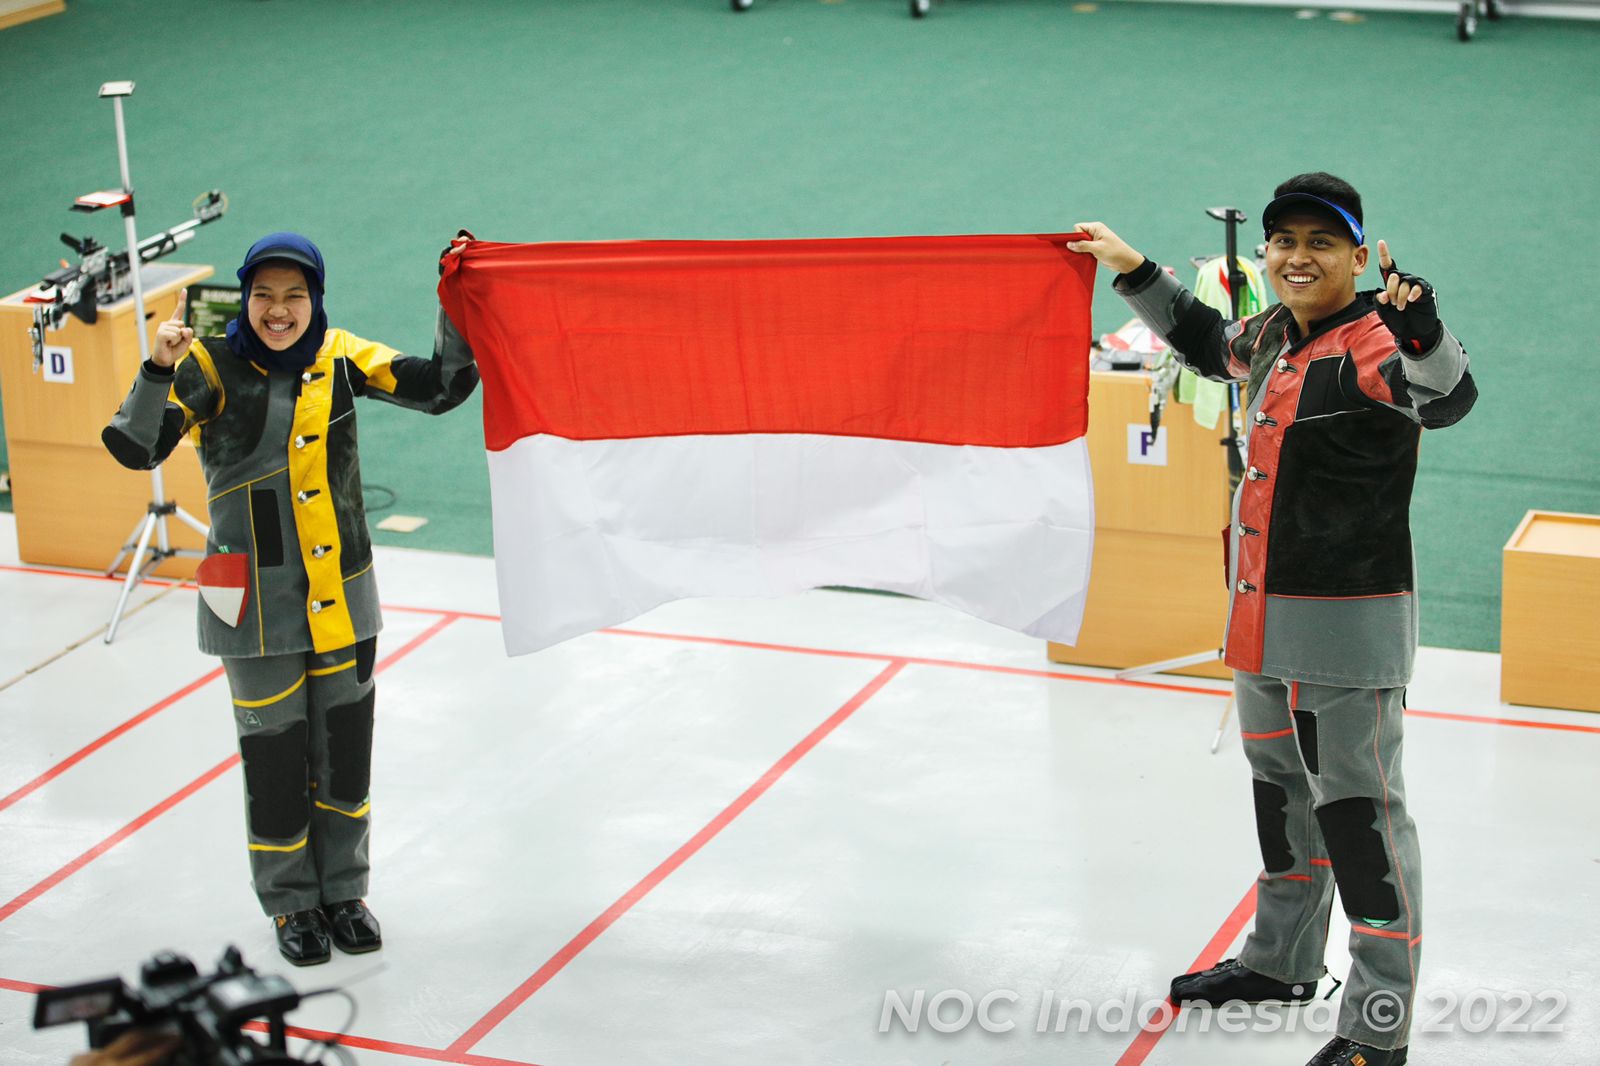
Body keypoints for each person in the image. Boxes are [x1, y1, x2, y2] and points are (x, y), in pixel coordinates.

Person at [1068, 173, 1476, 1066]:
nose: (1298, 256)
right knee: (1282, 799)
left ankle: (1378, 1029)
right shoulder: (1273, 334)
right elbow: (1209, 341)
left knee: (1362, 825)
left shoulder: (1379, 344)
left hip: (1345, 635)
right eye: (1284, 240)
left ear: (1358, 257)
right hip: (1258, 620)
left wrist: (1424, 330)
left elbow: (1444, 398)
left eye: (1321, 242)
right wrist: (1131, 267)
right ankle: (1281, 963)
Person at [102, 232, 478, 966]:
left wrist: (458, 298)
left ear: (316, 300)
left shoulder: (340, 354)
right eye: (264, 295)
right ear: (245, 298)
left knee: (345, 756)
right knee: (274, 762)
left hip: (345, 599)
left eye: (295, 296)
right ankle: (290, 905)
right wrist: (157, 366)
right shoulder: (206, 363)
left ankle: (345, 893)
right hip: (247, 604)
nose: (279, 310)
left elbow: (440, 387)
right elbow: (135, 447)